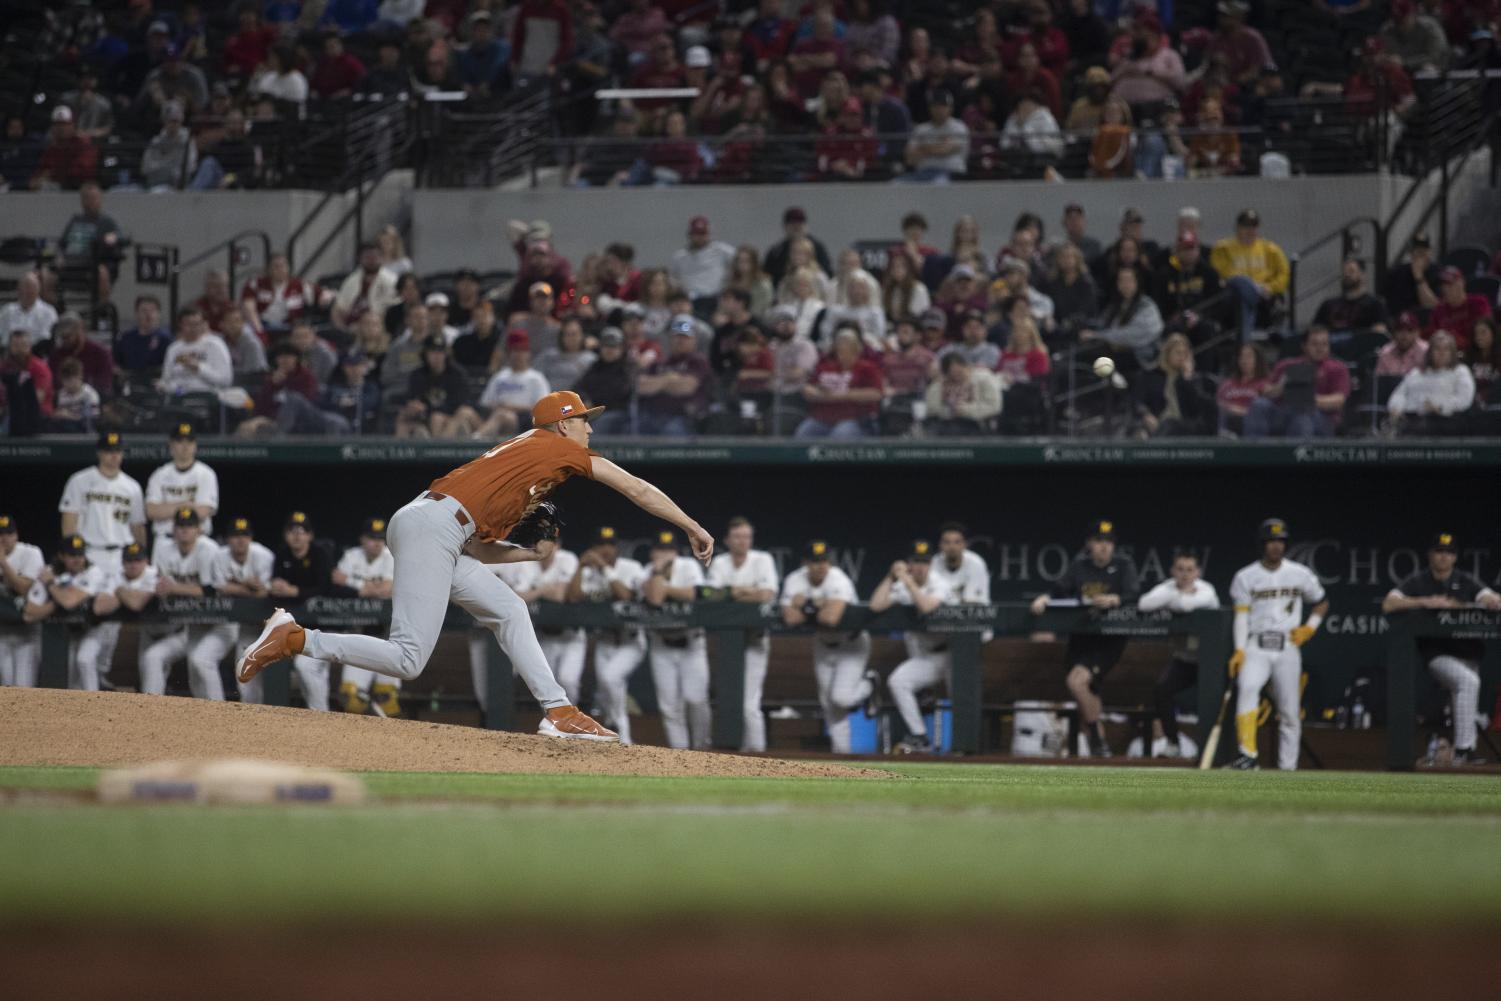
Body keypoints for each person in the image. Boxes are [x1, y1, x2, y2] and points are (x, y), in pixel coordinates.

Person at [236, 391, 716, 742]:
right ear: (563, 425)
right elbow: (637, 488)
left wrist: (528, 554)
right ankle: (297, 638)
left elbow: (474, 548)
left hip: (436, 525)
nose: (590, 428)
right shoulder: (557, 447)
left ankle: (559, 710)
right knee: (408, 658)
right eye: (585, 420)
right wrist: (692, 525)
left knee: (509, 608)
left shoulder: (522, 466)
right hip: (434, 526)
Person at [1383, 532, 1501, 767]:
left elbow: (1489, 597)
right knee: (1468, 683)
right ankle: (1464, 750)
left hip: (1468, 654)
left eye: (1448, 553)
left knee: (1463, 691)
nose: (1443, 557)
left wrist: (1489, 600)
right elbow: (1389, 603)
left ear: (1455, 557)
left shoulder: (1465, 580)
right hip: (1438, 655)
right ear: (1430, 555)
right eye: (1439, 552)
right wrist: (1425, 602)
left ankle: (1455, 752)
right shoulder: (1419, 581)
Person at [1029, 520, 1141, 757]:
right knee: (1088, 688)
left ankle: (1095, 737)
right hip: (1081, 638)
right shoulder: (1079, 566)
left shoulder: (1123, 565)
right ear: (1089, 543)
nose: (1104, 547)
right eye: (1099, 541)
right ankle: (1099, 745)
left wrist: (1116, 599)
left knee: (1076, 682)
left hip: (1108, 639)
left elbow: (1134, 593)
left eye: (1109, 542)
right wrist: (1044, 598)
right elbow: (1059, 589)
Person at [1225, 518, 1328, 771]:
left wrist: (1310, 628)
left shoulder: (1299, 573)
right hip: (1256, 644)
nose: (1275, 546)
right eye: (1271, 541)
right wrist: (1239, 649)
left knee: (1290, 710)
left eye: (1280, 541)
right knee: (1247, 688)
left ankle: (1288, 768)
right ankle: (1247, 756)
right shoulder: (1245, 576)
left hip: (1287, 646)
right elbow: (1241, 615)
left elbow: (1322, 601)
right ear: (1262, 544)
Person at [781, 540, 872, 755]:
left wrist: (804, 604)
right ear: (805, 563)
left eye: (823, 561)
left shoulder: (838, 579)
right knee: (829, 705)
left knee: (841, 697)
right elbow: (790, 618)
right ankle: (843, 756)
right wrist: (820, 603)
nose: (820, 566)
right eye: (814, 561)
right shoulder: (795, 579)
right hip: (823, 644)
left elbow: (831, 618)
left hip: (851, 644)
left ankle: (869, 685)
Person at [565, 525, 648, 741]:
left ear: (617, 548)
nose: (606, 549)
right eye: (601, 545)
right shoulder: (588, 571)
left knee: (611, 679)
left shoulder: (631, 567)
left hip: (631, 641)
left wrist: (604, 568)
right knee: (606, 689)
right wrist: (579, 568)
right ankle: (614, 730)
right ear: (593, 547)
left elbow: (626, 596)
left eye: (610, 545)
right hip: (604, 640)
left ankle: (624, 740)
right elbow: (573, 598)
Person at [705, 517, 780, 752]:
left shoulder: (762, 559)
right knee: (729, 700)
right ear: (727, 540)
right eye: (737, 536)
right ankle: (734, 759)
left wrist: (733, 593)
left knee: (749, 704)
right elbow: (713, 596)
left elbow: (767, 595)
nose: (742, 541)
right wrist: (749, 592)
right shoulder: (719, 562)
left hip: (756, 640)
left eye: (747, 536)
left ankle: (757, 756)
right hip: (727, 644)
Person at [869, 541, 951, 753]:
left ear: (931, 564)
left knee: (960, 698)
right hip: (924, 656)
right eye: (916, 562)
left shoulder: (939, 583)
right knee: (898, 681)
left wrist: (906, 581)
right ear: (909, 563)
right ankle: (920, 736)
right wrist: (891, 577)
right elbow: (876, 605)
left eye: (924, 562)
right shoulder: (903, 584)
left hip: (949, 654)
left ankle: (965, 750)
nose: (920, 567)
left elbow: (925, 607)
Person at [1138, 551, 1221, 758]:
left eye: (1190, 570)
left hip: (1211, 660)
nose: (1185, 574)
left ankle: (1214, 751)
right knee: (1162, 690)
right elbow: (1143, 604)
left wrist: (1171, 599)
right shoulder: (1168, 587)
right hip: (1184, 660)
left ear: (1198, 572)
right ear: (1173, 571)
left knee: (1211, 701)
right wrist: (1175, 594)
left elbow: (1185, 605)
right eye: (1180, 569)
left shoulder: (1206, 590)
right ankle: (1173, 743)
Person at [637, 530, 711, 750]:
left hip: (692, 643)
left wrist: (664, 586)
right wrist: (658, 573)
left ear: (676, 552)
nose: (665, 554)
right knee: (670, 706)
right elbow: (654, 600)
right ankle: (680, 755)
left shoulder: (688, 566)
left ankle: (702, 749)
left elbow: (694, 594)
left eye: (669, 550)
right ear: (653, 553)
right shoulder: (647, 571)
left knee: (696, 700)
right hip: (662, 645)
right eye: (660, 550)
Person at [138, 508, 223, 698]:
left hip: (218, 621)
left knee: (201, 661)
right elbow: (161, 586)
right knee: (195, 670)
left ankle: (220, 712)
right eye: (181, 526)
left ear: (199, 529)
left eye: (190, 526)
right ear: (174, 529)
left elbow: (210, 591)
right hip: (190, 624)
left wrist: (176, 589)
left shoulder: (209, 549)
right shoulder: (163, 548)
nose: (185, 530)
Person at [319, 517, 399, 716]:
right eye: (372, 537)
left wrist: (355, 585)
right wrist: (371, 588)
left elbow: (389, 589)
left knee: (387, 701)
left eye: (380, 538)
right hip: (358, 634)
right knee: (350, 698)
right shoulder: (352, 556)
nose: (377, 542)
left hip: (389, 637)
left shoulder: (392, 557)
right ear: (363, 539)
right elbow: (337, 583)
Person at [21, 536, 113, 689]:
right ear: (61, 556)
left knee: (84, 659)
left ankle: (96, 704)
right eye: (72, 555)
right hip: (69, 632)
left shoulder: (93, 571)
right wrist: (60, 598)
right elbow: (29, 613)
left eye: (80, 555)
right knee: (72, 680)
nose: (77, 559)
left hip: (94, 628)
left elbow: (69, 603)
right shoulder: (51, 571)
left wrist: (51, 586)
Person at [59, 431, 145, 575]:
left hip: (123, 555)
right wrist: (72, 555)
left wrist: (140, 556)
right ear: (99, 453)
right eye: (109, 451)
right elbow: (68, 521)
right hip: (90, 552)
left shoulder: (132, 486)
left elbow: (137, 527)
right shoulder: (79, 480)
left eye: (118, 451)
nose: (114, 455)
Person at [1242, 325, 1351, 438]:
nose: (1320, 348)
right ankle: (1254, 451)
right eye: (1315, 344)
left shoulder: (1337, 367)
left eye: (1324, 344)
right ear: (1304, 346)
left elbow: (1339, 401)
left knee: (1301, 412)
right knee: (1259, 405)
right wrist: (1280, 387)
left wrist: (1306, 399)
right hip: (1284, 412)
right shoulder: (1287, 364)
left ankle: (1294, 453)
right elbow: (1265, 391)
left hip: (1321, 418)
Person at [215, 518, 277, 705]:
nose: (240, 540)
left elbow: (265, 593)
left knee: (274, 675)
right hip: (246, 625)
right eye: (235, 535)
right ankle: (251, 719)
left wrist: (237, 587)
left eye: (244, 535)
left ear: (251, 538)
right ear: (227, 539)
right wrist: (246, 586)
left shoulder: (264, 555)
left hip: (271, 625)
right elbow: (219, 588)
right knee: (244, 670)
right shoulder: (220, 555)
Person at [1211, 209, 1290, 341]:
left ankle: (1244, 337)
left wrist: (1271, 287)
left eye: (1253, 227)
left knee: (1248, 292)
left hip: (1264, 298)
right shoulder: (1223, 248)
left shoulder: (1270, 249)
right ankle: (1245, 337)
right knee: (1242, 286)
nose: (1249, 231)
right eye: (1245, 226)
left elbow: (1284, 274)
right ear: (1237, 227)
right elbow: (1219, 272)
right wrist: (1250, 287)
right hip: (1233, 297)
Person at [795, 329, 884, 438]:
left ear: (856, 351)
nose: (843, 356)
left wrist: (839, 395)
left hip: (854, 420)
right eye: (840, 352)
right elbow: (807, 388)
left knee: (840, 435)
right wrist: (819, 394)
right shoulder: (826, 367)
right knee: (803, 433)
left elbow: (876, 394)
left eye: (848, 351)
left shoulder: (868, 368)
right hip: (822, 418)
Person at [144, 422, 219, 550]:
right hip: (165, 541)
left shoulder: (206, 473)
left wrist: (167, 508)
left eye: (189, 442)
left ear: (195, 445)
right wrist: (187, 504)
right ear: (171, 445)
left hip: (198, 542)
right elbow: (151, 511)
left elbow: (203, 511)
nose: (185, 446)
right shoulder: (159, 475)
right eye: (180, 441)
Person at [1387, 330, 1475, 435]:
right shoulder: (1417, 373)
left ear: (1452, 352)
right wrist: (1396, 408)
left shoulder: (1460, 371)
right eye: (1437, 349)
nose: (1441, 353)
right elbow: (1399, 393)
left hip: (1445, 421)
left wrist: (1440, 407)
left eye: (1446, 349)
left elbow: (1464, 399)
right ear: (1430, 352)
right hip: (1411, 419)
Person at [396, 336, 481, 439]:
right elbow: (411, 398)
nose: (437, 356)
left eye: (440, 352)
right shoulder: (418, 375)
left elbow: (461, 403)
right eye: (432, 352)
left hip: (452, 416)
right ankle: (399, 452)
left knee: (438, 418)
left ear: (446, 354)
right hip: (424, 418)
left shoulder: (457, 374)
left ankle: (437, 450)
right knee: (403, 417)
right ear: (425, 354)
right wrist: (413, 406)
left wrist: (429, 409)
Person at [1080, 267, 1164, 368]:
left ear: (1137, 282)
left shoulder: (1147, 305)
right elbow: (1102, 324)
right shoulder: (1115, 305)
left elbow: (1133, 335)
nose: (1125, 284)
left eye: (1129, 280)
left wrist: (1098, 336)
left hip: (1141, 356)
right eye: (1121, 280)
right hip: (1114, 353)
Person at [1134, 332, 1215, 436]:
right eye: (1178, 353)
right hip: (1157, 423)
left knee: (1169, 424)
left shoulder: (1195, 380)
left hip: (1184, 428)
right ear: (1167, 354)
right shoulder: (1151, 376)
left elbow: (1197, 410)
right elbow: (1138, 401)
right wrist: (1146, 415)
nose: (1182, 357)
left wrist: (1188, 379)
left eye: (1185, 354)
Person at [477, 330, 551, 438]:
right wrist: (498, 408)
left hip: (522, 425)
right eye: (515, 350)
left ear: (528, 353)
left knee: (502, 415)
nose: (518, 355)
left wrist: (509, 408)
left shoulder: (536, 378)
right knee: (465, 413)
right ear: (508, 353)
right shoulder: (499, 377)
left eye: (522, 350)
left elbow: (543, 410)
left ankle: (474, 441)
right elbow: (485, 404)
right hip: (493, 419)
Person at [0, 515, 46, 688]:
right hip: (1, 632)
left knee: (24, 686)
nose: (3, 538)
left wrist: (3, 564)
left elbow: (24, 589)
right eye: (0, 534)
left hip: (27, 632)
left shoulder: (30, 553)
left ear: (16, 535)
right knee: (5, 686)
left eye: (8, 533)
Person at [160, 306, 233, 395]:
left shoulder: (214, 345)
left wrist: (199, 368)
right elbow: (166, 380)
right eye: (189, 324)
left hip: (206, 395)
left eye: (197, 324)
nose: (194, 328)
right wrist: (165, 386)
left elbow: (225, 380)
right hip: (179, 394)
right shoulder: (173, 349)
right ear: (181, 325)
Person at [331, 241, 400, 333]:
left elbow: (389, 312)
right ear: (360, 259)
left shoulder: (391, 280)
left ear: (381, 258)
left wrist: (364, 326)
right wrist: (341, 329)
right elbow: (339, 307)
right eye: (367, 257)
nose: (371, 261)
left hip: (376, 328)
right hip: (350, 327)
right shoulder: (352, 279)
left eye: (374, 257)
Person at [924, 354, 1002, 435]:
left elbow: (994, 406)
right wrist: (949, 411)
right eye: (951, 375)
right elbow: (931, 409)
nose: (956, 377)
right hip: (945, 424)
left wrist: (967, 410)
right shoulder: (940, 383)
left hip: (977, 425)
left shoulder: (984, 378)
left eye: (959, 372)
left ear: (967, 367)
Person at [902, 88, 968, 182]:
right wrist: (938, 146)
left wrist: (922, 148)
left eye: (943, 106)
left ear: (951, 108)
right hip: (922, 173)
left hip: (951, 174)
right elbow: (910, 158)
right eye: (935, 106)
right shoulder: (921, 129)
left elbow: (945, 150)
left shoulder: (959, 127)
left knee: (937, 185)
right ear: (930, 108)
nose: (939, 109)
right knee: (895, 185)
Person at [1313, 258, 1389, 336]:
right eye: (1344, 272)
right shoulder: (1328, 304)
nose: (1347, 274)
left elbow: (1379, 333)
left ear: (1363, 275)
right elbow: (1315, 331)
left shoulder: (1375, 305)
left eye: (1351, 271)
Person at [1425, 268, 1492, 351]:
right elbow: (1431, 338)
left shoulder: (1478, 303)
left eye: (1450, 284)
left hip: (1475, 352)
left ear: (1461, 282)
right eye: (1443, 285)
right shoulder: (1439, 310)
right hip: (1448, 357)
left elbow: (1487, 334)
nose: (1445, 289)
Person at [1217, 343, 1272, 435]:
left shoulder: (1266, 383)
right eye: (1241, 357)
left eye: (1249, 356)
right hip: (1227, 420)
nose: (1244, 360)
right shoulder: (1228, 384)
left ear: (1258, 360)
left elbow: (1265, 411)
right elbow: (1218, 403)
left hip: (1252, 422)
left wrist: (1236, 409)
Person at [1384, 233, 1440, 317]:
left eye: (1424, 251)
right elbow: (1388, 305)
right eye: (1417, 251)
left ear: (1430, 252)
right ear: (1411, 253)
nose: (1420, 255)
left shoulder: (1438, 273)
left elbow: (1434, 307)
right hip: (1401, 323)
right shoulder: (1397, 273)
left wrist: (1419, 278)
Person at [115, 296, 171, 374]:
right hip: (129, 381)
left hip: (154, 382)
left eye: (152, 310)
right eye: (144, 311)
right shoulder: (126, 337)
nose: (149, 315)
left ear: (159, 314)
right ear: (136, 314)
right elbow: (116, 363)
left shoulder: (166, 339)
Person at [0, 272, 59, 346]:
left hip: (37, 353)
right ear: (18, 289)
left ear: (38, 290)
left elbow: (47, 339)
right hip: (9, 353)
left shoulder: (48, 312)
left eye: (31, 287)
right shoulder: (7, 311)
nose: (26, 291)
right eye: (24, 287)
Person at [1374, 311, 1429, 376]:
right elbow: (1380, 382)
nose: (1404, 335)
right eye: (1400, 330)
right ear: (1394, 332)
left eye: (1410, 330)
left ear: (1417, 333)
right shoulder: (1386, 352)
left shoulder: (1425, 351)